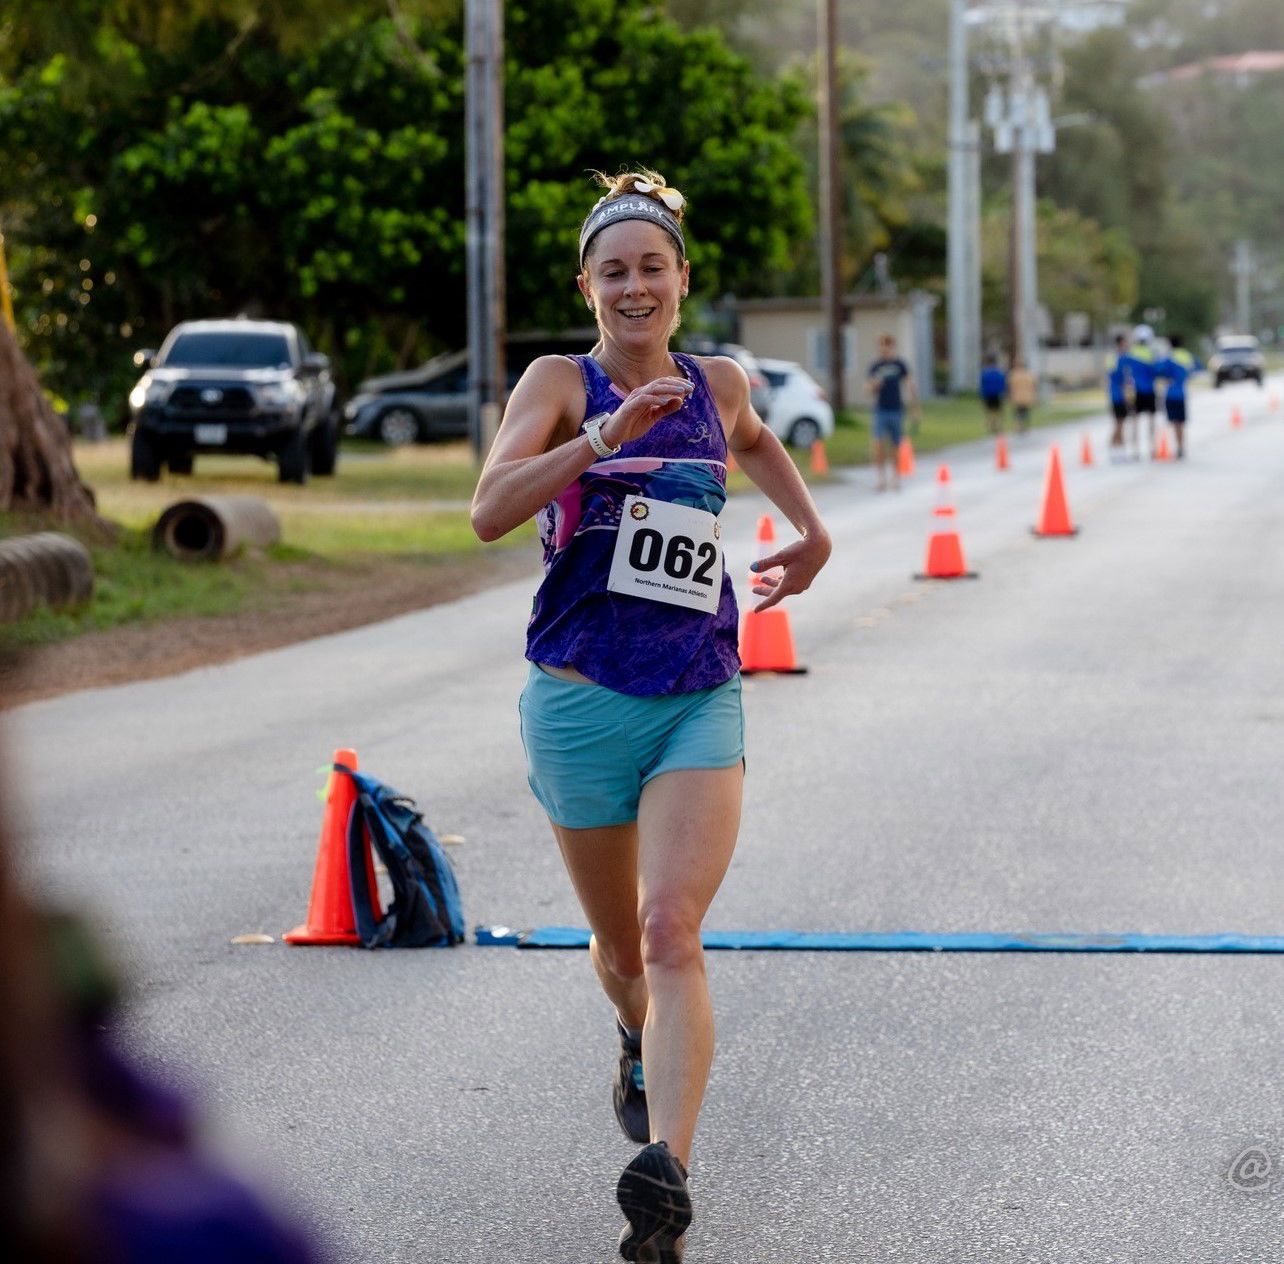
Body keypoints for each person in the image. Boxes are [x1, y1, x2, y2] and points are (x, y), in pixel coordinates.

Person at [470, 168, 830, 1263]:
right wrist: (600, 439)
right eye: (614, 270)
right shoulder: (559, 382)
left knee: (674, 929)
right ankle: (633, 1035)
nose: (636, 286)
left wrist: (810, 533)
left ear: (681, 278)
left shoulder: (717, 380)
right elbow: (489, 509)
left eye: (653, 267)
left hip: (696, 694)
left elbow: (757, 440)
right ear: (588, 285)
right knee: (622, 947)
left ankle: (664, 1176)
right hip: (579, 703)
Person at [866, 332, 920, 491]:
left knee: (896, 446)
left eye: (887, 345)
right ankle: (881, 479)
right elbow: (868, 389)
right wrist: (874, 385)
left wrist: (915, 408)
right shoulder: (875, 366)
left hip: (896, 409)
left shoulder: (900, 365)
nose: (884, 348)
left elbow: (910, 385)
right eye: (882, 345)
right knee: (878, 444)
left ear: (892, 347)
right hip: (880, 410)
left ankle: (896, 478)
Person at [1154, 334, 1202, 459]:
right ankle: (1181, 446)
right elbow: (1194, 370)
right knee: (1181, 422)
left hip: (1170, 394)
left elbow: (1157, 370)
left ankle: (1178, 446)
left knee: (1174, 422)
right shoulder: (1186, 356)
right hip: (1182, 393)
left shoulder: (1169, 357)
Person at [1121, 324, 1160, 459]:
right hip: (1149, 390)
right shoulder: (1152, 353)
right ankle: (1152, 448)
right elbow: (1158, 371)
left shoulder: (1131, 352)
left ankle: (1135, 450)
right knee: (1151, 420)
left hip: (1136, 390)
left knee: (1135, 420)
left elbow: (1124, 371)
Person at [1105, 333, 1132, 456]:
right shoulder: (1115, 358)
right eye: (1125, 342)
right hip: (1118, 394)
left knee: (1121, 421)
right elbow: (1113, 376)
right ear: (1121, 343)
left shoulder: (1125, 357)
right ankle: (1115, 445)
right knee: (1119, 421)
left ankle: (1119, 445)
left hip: (1123, 394)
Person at [978, 355, 1007, 434]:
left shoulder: (985, 372)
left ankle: (990, 426)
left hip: (987, 394)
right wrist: (1004, 393)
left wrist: (982, 395)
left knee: (988, 411)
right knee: (998, 411)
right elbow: (1002, 384)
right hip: (997, 394)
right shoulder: (999, 372)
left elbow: (982, 385)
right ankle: (998, 425)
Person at [1007, 360, 1037, 434]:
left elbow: (1010, 386)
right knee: (1025, 412)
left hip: (1016, 397)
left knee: (1017, 413)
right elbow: (1033, 386)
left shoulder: (1014, 374)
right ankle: (1025, 426)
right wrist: (1034, 396)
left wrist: (1009, 395)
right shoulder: (1029, 375)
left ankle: (1018, 426)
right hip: (1027, 397)